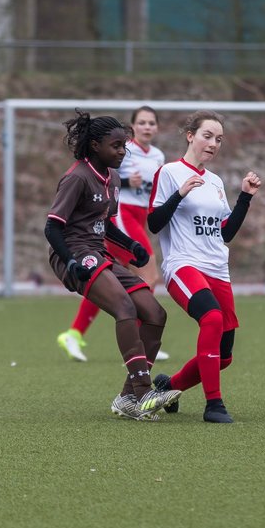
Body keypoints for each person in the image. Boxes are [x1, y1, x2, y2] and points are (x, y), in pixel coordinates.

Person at [44, 110, 182, 420]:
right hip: (76, 253)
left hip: (99, 252)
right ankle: (144, 390)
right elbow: (52, 227)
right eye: (116, 146)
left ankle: (127, 399)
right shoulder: (76, 177)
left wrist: (131, 245)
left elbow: (105, 225)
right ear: (95, 145)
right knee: (125, 308)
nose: (122, 152)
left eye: (125, 146)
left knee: (155, 313)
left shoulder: (114, 178)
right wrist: (70, 261)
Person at [147, 110, 262, 423]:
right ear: (190, 136)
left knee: (224, 357)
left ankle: (167, 387)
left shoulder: (215, 182)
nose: (214, 143)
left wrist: (245, 198)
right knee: (211, 318)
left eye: (219, 139)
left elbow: (224, 233)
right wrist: (180, 193)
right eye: (207, 136)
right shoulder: (170, 172)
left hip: (217, 270)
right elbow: (154, 223)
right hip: (183, 265)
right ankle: (214, 406)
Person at [56, 105, 170, 364]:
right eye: (142, 122)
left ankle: (75, 333)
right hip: (123, 216)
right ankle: (139, 337)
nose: (147, 127)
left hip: (141, 216)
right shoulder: (120, 149)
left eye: (152, 123)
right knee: (147, 274)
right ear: (133, 126)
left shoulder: (157, 155)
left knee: (109, 282)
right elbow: (109, 178)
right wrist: (130, 183)